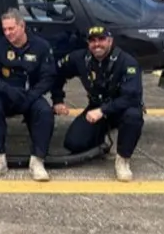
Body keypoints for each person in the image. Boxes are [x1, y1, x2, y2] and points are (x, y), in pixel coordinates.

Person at [53, 26, 144, 182]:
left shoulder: (126, 62)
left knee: (133, 116)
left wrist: (103, 110)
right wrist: (57, 100)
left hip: (121, 108)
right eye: (92, 41)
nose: (97, 44)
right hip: (96, 107)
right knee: (74, 143)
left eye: (101, 40)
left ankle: (123, 159)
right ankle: (103, 139)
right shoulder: (81, 58)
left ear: (110, 41)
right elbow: (56, 73)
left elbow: (132, 97)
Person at [0, 8, 57, 181]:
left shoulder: (41, 46)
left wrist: (32, 95)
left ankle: (37, 161)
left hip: (30, 93)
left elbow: (48, 77)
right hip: (5, 92)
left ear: (22, 26)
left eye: (11, 28)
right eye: (5, 29)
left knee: (45, 112)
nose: (8, 33)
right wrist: (7, 90)